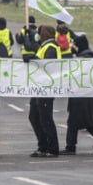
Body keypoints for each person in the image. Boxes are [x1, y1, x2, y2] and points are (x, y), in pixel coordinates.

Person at [62, 33, 93, 155]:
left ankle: (71, 147)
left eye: (74, 45)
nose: (73, 47)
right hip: (84, 94)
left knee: (78, 122)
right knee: (85, 122)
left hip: (81, 95)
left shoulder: (84, 58)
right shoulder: (87, 56)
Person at [28, 24, 61, 157]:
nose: (37, 34)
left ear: (44, 34)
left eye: (39, 32)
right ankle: (43, 146)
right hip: (38, 87)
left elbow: (47, 66)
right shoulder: (44, 47)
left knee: (45, 118)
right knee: (34, 117)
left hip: (46, 88)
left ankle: (52, 148)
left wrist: (33, 59)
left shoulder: (51, 47)